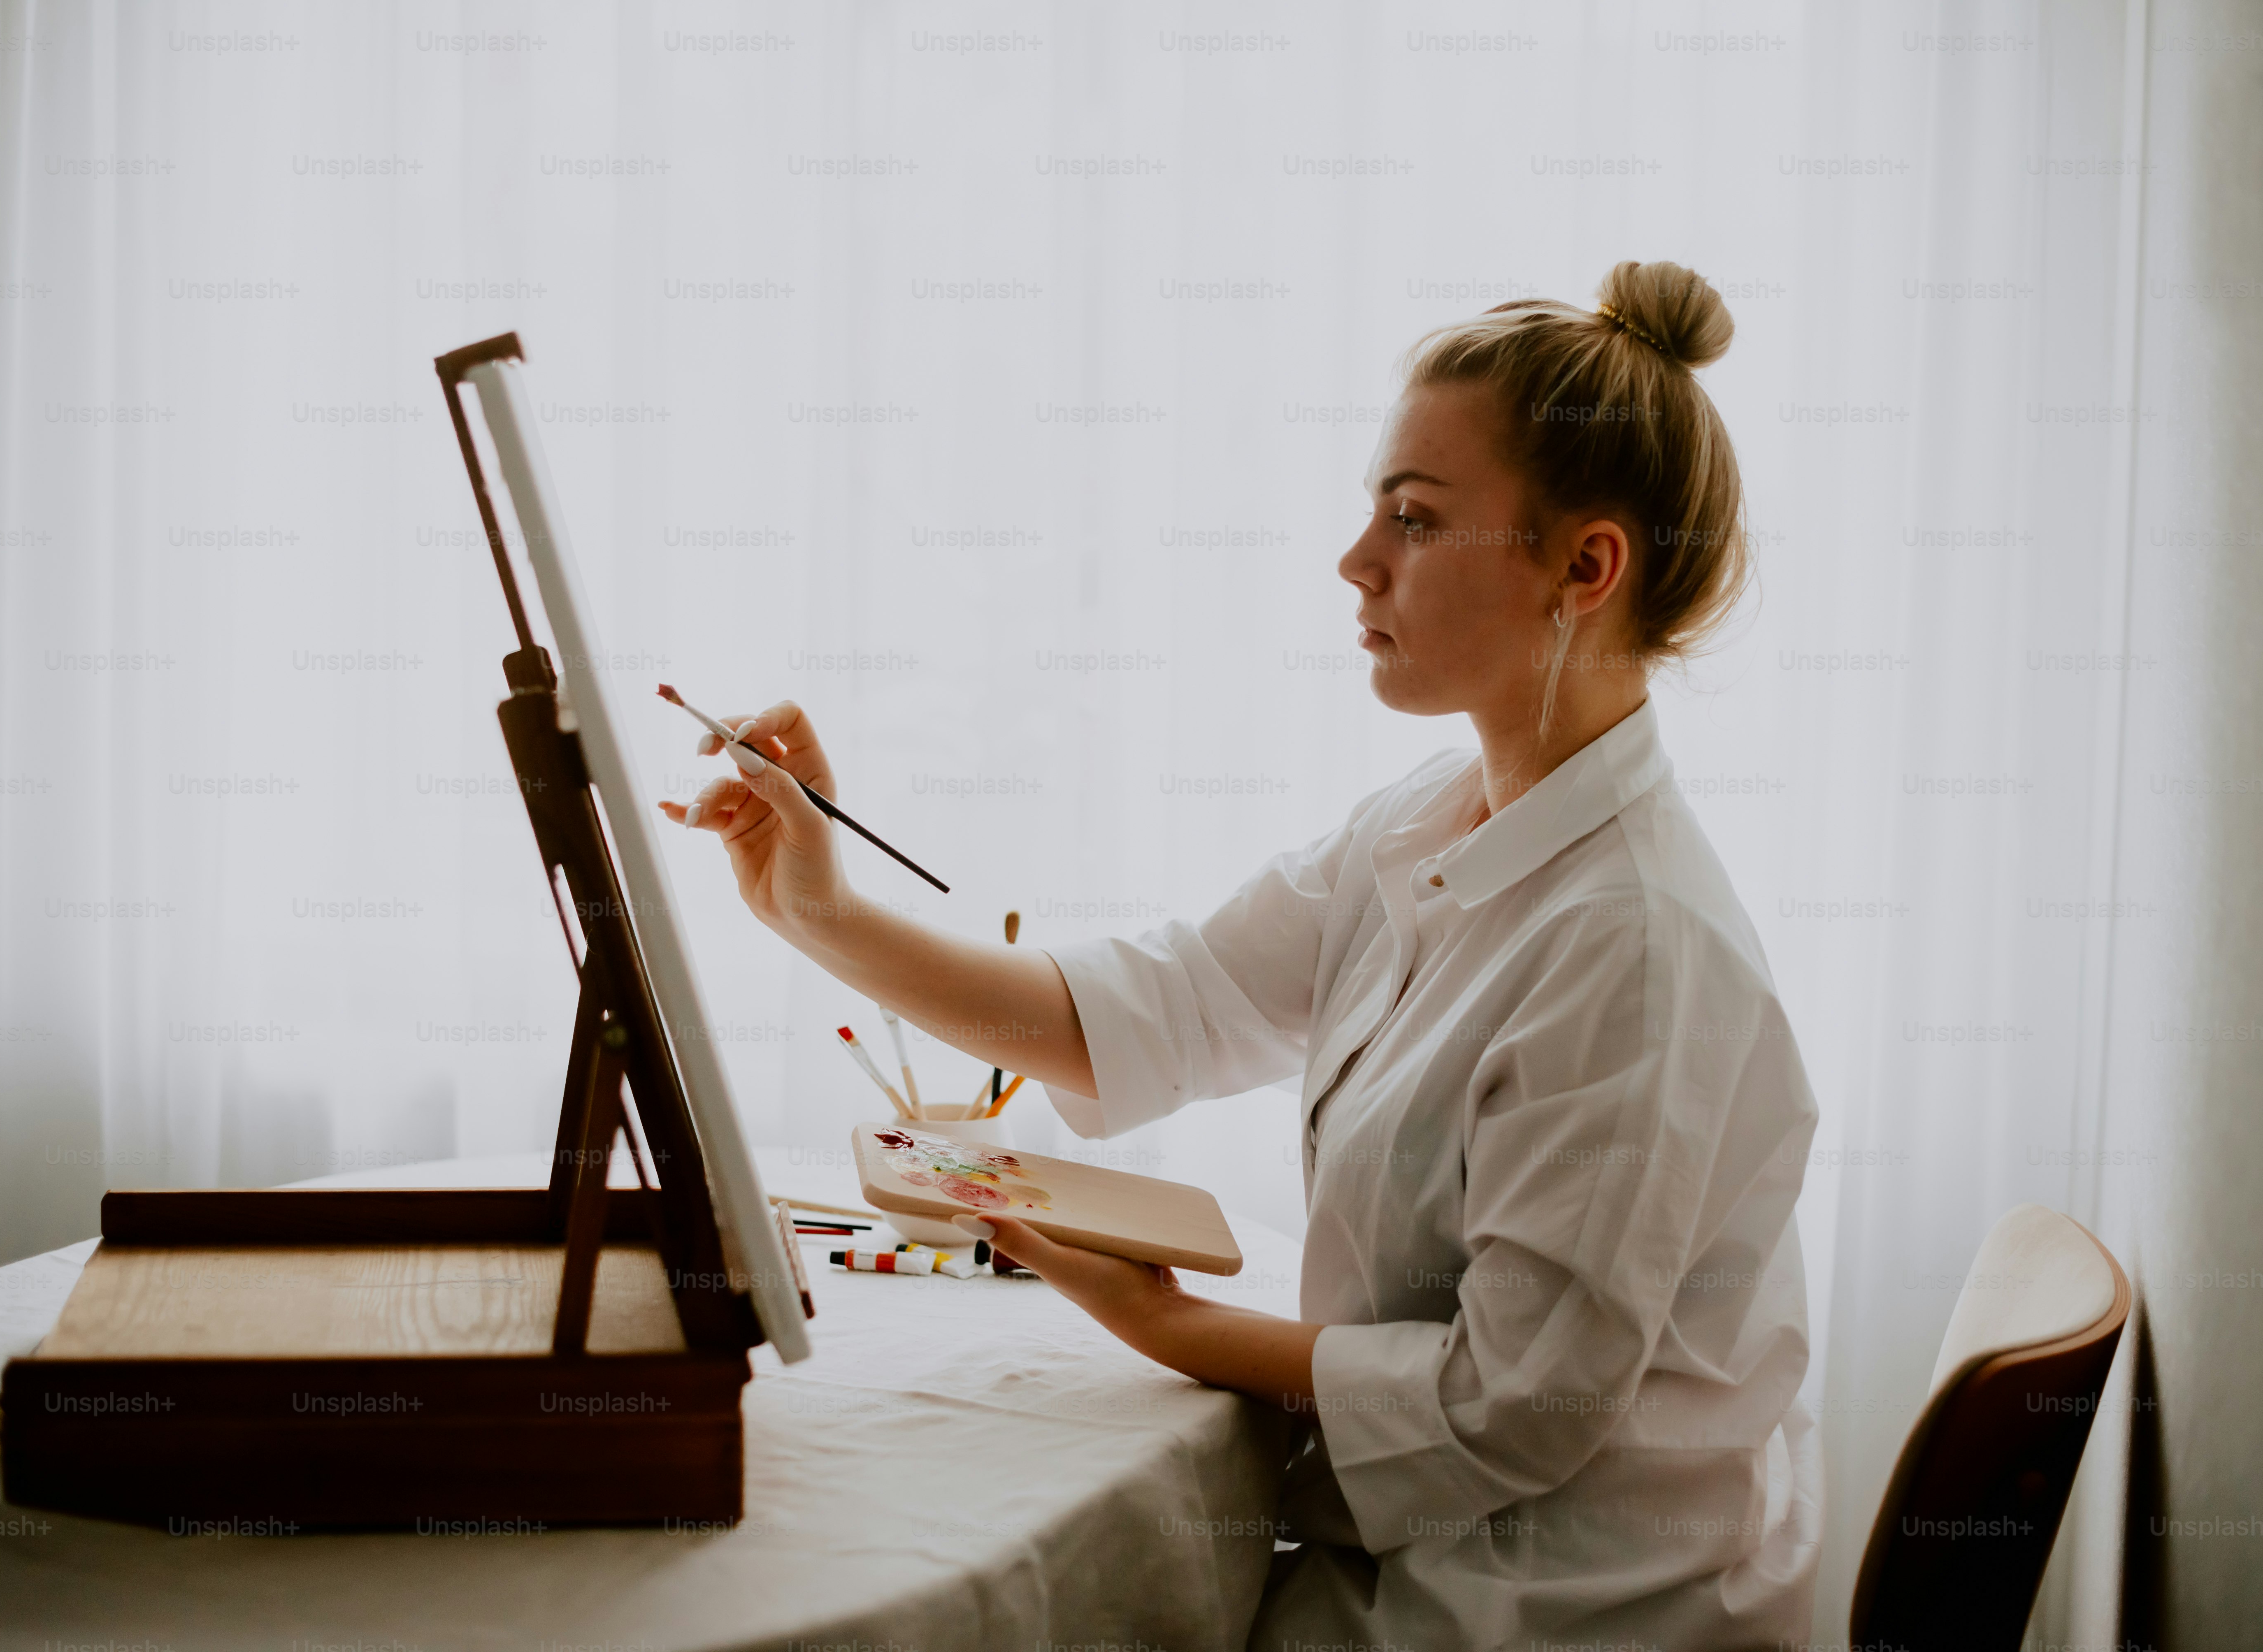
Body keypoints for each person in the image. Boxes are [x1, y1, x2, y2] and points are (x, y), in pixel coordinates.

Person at [664, 260, 1822, 1647]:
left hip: (1551, 1608)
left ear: (1585, 566)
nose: (1356, 560)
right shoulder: (1429, 825)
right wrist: (821, 911)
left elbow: (1511, 1409)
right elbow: (1154, 1011)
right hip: (1418, 1556)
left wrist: (1168, 1328)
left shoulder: (1635, 948)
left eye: (1414, 517)